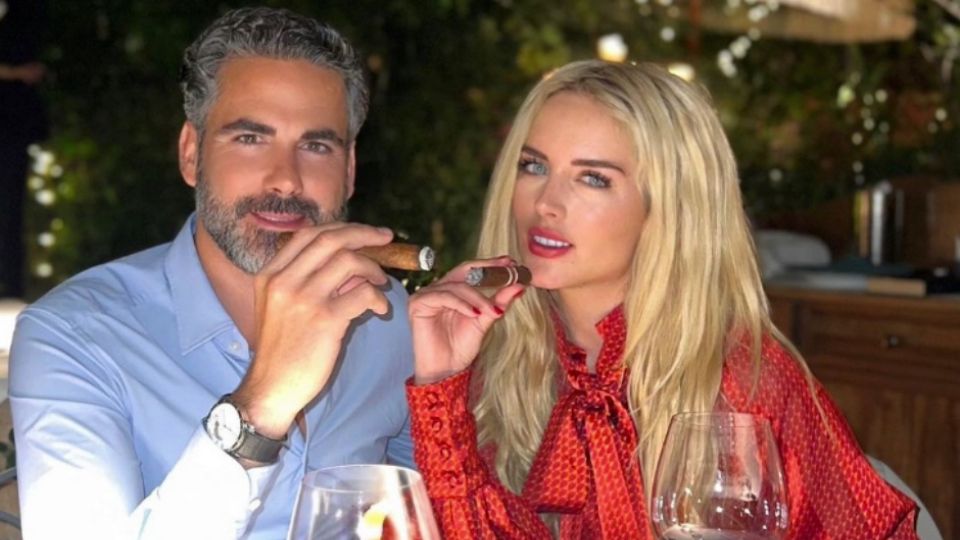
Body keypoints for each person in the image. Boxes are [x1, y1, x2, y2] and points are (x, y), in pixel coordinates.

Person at [405, 60, 919, 538]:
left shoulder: (747, 381)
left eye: (593, 178)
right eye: (534, 166)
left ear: (670, 208)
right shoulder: (496, 364)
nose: (546, 204)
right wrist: (440, 386)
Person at [9, 7, 415, 539]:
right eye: (250, 138)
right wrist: (260, 406)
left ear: (350, 170)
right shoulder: (74, 336)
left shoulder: (386, 316)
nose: (286, 180)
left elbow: (421, 511)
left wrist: (443, 391)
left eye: (316, 146)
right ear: (190, 153)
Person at [0, 0, 48, 299]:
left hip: (12, 125)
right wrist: (14, 73)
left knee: (11, 207)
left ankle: (12, 283)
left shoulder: (23, 12)